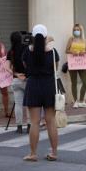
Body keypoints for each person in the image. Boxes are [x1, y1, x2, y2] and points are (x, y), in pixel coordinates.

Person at [22, 24, 59, 162]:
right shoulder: (53, 52)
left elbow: (26, 67)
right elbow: (55, 68)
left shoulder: (27, 52)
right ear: (45, 36)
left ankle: (33, 153)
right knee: (51, 121)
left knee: (34, 122)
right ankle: (54, 152)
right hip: (49, 86)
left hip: (33, 86)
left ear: (32, 36)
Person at [7, 31, 29, 134]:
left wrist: (16, 74)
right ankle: (29, 126)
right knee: (29, 104)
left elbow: (6, 67)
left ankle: (19, 127)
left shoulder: (11, 51)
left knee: (18, 104)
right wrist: (25, 75)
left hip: (16, 79)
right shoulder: (26, 48)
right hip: (27, 79)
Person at [65, 24, 86, 108]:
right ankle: (75, 101)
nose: (76, 31)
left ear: (81, 31)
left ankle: (82, 101)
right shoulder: (71, 39)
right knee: (74, 82)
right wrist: (72, 52)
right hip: (73, 63)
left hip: (82, 63)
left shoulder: (85, 40)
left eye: (78, 29)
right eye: (75, 30)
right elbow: (66, 50)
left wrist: (84, 52)